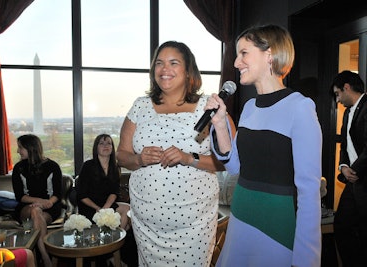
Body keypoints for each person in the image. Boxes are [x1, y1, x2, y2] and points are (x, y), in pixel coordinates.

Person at [205, 24, 322, 267]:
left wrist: (307, 259)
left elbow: (309, 192)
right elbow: (235, 167)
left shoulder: (300, 107)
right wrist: (218, 124)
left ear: (269, 54)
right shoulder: (249, 108)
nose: (236, 63)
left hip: (275, 226)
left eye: (243, 53)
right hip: (241, 217)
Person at [117, 40, 225, 266]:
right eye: (159, 63)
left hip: (194, 224)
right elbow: (122, 155)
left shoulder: (210, 107)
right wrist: (139, 159)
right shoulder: (140, 105)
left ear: (188, 71)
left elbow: (226, 161)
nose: (164, 69)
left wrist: (189, 158)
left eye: (173, 63)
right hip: (147, 225)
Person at [332, 70, 367, 266]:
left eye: (338, 94)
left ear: (347, 88)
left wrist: (356, 171)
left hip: (364, 181)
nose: (338, 99)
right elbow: (345, 144)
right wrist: (344, 167)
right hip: (353, 182)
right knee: (342, 226)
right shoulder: (347, 112)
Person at [11, 134, 62, 267]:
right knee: (35, 209)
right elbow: (20, 196)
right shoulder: (19, 168)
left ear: (31, 148)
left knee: (36, 212)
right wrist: (40, 201)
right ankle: (46, 258)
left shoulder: (53, 166)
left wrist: (49, 202)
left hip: (50, 207)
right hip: (25, 207)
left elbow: (57, 194)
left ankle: (41, 257)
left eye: (20, 148)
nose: (18, 151)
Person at [76, 134, 130, 230]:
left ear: (112, 148)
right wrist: (97, 208)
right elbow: (81, 195)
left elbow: (114, 192)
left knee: (127, 209)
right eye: (101, 143)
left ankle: (118, 238)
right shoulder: (88, 166)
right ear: (96, 148)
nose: (105, 146)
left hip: (106, 205)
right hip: (90, 206)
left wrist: (105, 208)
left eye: (109, 143)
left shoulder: (115, 167)